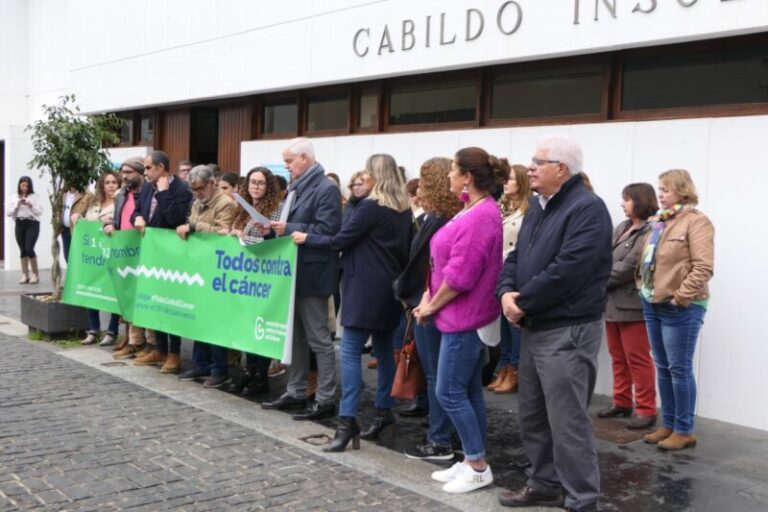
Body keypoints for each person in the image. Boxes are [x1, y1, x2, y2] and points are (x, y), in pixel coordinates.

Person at [495, 134, 612, 512]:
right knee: (532, 414)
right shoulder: (538, 206)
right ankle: (543, 483)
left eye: (538, 161)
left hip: (567, 329)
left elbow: (569, 272)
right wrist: (506, 293)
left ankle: (582, 500)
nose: (530, 167)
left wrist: (521, 302)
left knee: (567, 422)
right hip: (536, 325)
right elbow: (514, 258)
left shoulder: (587, 209)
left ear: (561, 169)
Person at [293, 153, 412, 452]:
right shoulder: (402, 209)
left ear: (376, 175)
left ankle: (347, 421)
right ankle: (383, 411)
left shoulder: (372, 207)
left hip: (364, 287)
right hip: (390, 289)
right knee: (385, 352)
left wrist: (306, 237)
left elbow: (339, 240)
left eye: (367, 174)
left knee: (349, 353)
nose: (362, 179)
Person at [413, 147, 507, 494]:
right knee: (467, 392)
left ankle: (479, 466)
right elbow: (445, 267)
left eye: (453, 170)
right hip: (457, 315)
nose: (449, 176)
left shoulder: (481, 215)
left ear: (467, 177)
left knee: (449, 391)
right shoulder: (472, 209)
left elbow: (461, 275)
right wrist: (428, 299)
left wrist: (430, 306)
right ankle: (471, 458)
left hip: (465, 319)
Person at [261, 137, 342, 421]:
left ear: (305, 159)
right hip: (293, 272)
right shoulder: (298, 186)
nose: (285, 166)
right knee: (294, 336)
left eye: (289, 161)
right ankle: (295, 391)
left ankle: (325, 398)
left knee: (319, 338)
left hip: (312, 273)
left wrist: (289, 227)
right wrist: (272, 228)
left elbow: (329, 231)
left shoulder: (326, 189)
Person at [639, 169, 714, 451]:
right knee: (663, 366)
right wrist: (642, 288)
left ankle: (684, 429)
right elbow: (648, 262)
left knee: (679, 368)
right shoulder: (660, 221)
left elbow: (703, 267)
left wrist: (680, 297)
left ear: (682, 191)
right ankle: (668, 424)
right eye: (659, 188)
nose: (660, 194)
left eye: (666, 189)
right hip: (652, 301)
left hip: (680, 306)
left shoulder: (697, 222)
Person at [397, 157, 462, 461]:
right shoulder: (442, 216)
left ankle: (439, 439)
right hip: (430, 302)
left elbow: (422, 266)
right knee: (442, 375)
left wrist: (407, 294)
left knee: (437, 374)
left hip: (429, 304)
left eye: (424, 179)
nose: (419, 186)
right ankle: (446, 433)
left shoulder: (438, 220)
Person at [598, 183, 659, 430]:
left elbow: (631, 266)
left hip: (632, 305)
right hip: (611, 302)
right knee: (618, 356)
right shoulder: (623, 227)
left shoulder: (650, 230)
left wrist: (596, 279)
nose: (622, 204)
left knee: (638, 358)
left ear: (640, 200)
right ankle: (622, 401)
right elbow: (604, 257)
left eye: (627, 199)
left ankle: (646, 409)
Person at [175, 165, 237, 387]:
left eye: (200, 188)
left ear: (212, 183)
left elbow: (224, 234)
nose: (197, 193)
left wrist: (194, 226)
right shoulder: (196, 201)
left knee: (215, 319)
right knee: (199, 316)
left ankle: (220, 368)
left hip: (218, 269)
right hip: (199, 266)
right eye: (193, 189)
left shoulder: (226, 203)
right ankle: (200, 363)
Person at [132, 150, 194, 374]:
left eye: (149, 168)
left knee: (171, 303)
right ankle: (159, 348)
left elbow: (175, 218)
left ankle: (175, 354)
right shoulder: (147, 186)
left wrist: (164, 192)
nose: (145, 172)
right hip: (153, 254)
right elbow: (138, 210)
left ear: (162, 168)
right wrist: (137, 217)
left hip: (173, 256)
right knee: (156, 300)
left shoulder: (181, 188)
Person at [224, 167, 283, 397]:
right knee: (246, 326)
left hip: (262, 277)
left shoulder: (275, 210)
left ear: (268, 186)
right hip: (243, 277)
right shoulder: (243, 209)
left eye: (261, 183)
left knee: (260, 326)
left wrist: (242, 238)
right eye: (252, 182)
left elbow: (272, 241)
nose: (256, 186)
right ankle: (250, 371)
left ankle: (261, 375)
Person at [487, 165, 531, 395]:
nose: (506, 183)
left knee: (513, 325)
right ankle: (503, 367)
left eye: (511, 179)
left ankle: (514, 370)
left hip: (515, 271)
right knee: (503, 324)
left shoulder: (528, 209)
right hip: (499, 271)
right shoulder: (501, 206)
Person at [108, 158, 157, 359]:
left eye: (129, 172)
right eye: (122, 172)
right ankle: (135, 340)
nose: (124, 176)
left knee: (146, 297)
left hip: (146, 252)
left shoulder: (149, 193)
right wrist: (109, 225)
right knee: (130, 296)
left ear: (139, 172)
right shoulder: (121, 195)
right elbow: (118, 218)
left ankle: (152, 343)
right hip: (125, 252)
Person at [81, 171, 122, 346]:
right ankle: (93, 329)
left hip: (112, 253)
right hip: (94, 254)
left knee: (113, 291)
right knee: (92, 287)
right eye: (107, 182)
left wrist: (112, 221)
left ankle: (112, 331)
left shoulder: (121, 203)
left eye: (114, 182)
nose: (111, 185)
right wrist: (78, 219)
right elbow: (88, 223)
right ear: (102, 185)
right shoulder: (95, 203)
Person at [6, 176, 43, 284]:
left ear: (30, 186)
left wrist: (30, 205)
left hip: (32, 223)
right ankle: (25, 274)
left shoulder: (35, 196)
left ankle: (35, 274)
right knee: (22, 249)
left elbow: (40, 211)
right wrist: (16, 206)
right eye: (23, 185)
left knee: (29, 248)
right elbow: (8, 213)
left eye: (27, 186)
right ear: (19, 185)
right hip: (19, 223)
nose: (25, 188)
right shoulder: (13, 197)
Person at [60, 184, 93, 262]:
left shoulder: (88, 195)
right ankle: (71, 274)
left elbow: (91, 213)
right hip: (65, 230)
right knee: (67, 256)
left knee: (78, 256)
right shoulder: (63, 194)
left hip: (78, 231)